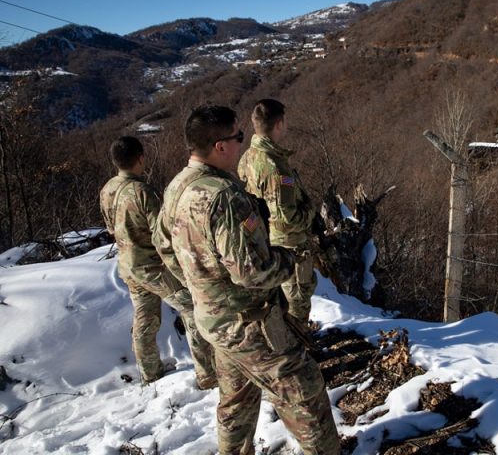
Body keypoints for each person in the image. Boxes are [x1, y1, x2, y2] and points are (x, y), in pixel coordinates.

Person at [152, 105, 339, 455]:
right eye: (237, 137)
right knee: (306, 392)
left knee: (237, 400)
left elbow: (164, 246)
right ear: (220, 146)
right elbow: (252, 272)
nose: (243, 142)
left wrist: (202, 287)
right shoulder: (223, 196)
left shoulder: (177, 186)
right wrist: (288, 260)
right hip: (247, 324)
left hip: (215, 320)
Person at [99, 136, 216, 388]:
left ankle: (150, 372)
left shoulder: (107, 189)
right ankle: (208, 373)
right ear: (140, 158)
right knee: (192, 309)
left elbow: (110, 228)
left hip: (128, 266)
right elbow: (162, 233)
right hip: (154, 266)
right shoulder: (143, 192)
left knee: (145, 317)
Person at [238, 99, 317, 326]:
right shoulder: (275, 166)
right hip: (288, 244)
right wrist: (310, 212)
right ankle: (299, 349)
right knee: (297, 300)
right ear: (279, 124)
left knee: (278, 303)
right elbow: (287, 217)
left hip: (263, 240)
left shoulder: (246, 158)